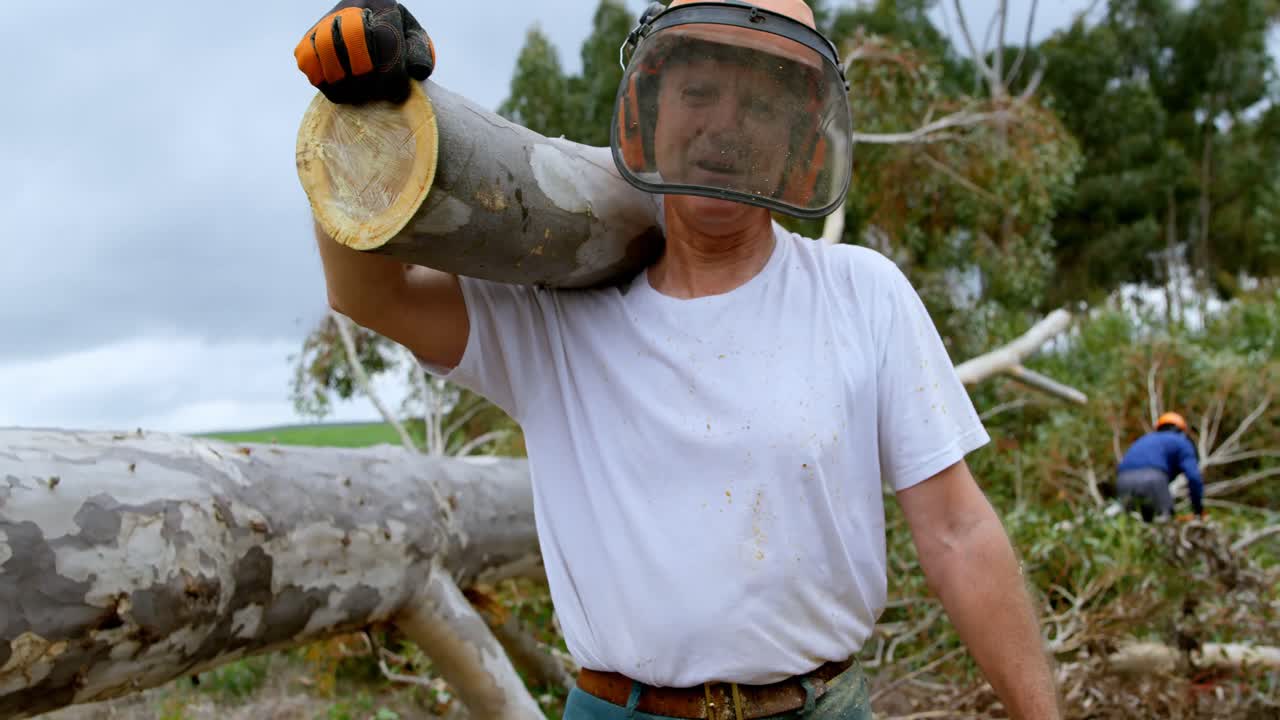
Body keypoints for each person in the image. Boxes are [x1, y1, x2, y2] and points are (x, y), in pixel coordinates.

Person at [295, 1, 1062, 718]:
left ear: (801, 132)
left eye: (760, 101)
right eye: (699, 89)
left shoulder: (862, 295)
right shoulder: (555, 313)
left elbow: (958, 531)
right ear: (651, 107)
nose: (725, 124)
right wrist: (358, 106)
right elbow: (369, 293)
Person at [1116, 412, 1205, 523]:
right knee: (1165, 523)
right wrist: (1198, 509)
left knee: (1134, 524)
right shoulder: (1181, 442)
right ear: (1181, 430)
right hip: (1153, 479)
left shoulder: (1144, 439)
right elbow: (1193, 477)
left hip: (1123, 481)